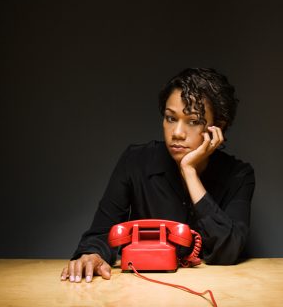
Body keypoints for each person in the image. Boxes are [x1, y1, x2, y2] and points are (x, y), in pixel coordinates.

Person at [60, 68, 255, 283]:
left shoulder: (239, 175)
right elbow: (99, 232)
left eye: (193, 121)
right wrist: (93, 255)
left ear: (218, 127)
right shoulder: (136, 161)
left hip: (215, 290)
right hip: (141, 289)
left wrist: (189, 172)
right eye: (171, 118)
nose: (177, 133)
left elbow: (229, 250)